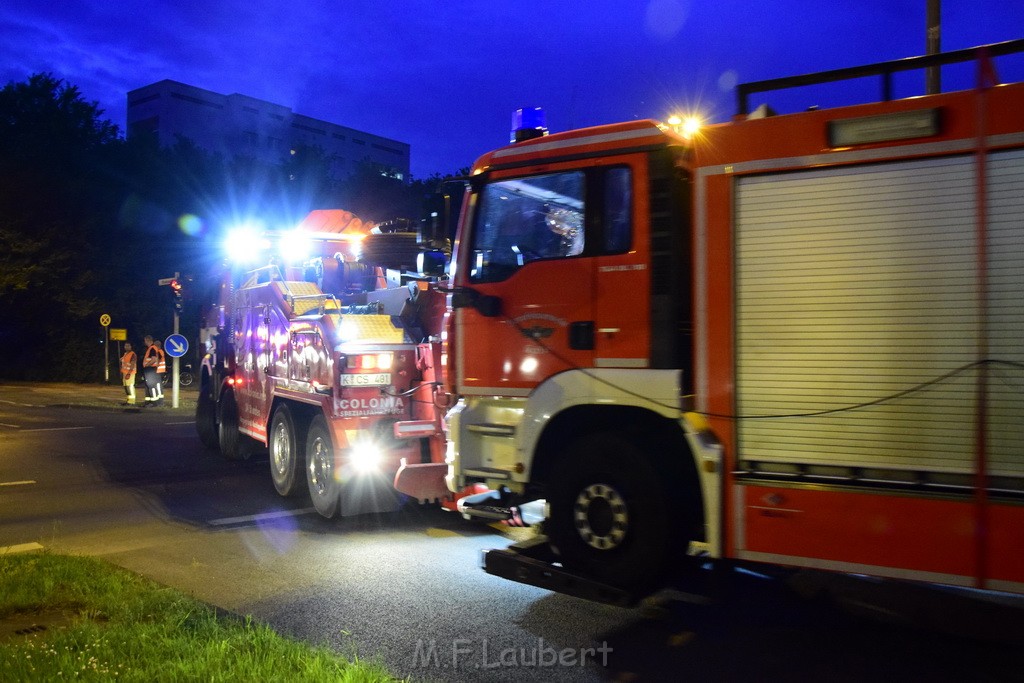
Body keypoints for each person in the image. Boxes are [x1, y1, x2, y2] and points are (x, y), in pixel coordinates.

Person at [142, 335, 166, 405]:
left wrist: (147, 365)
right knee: (152, 386)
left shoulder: (152, 348)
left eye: (145, 341)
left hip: (151, 370)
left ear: (147, 340)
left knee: (152, 386)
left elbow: (154, 359)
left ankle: (155, 402)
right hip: (153, 370)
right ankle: (152, 402)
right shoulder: (153, 348)